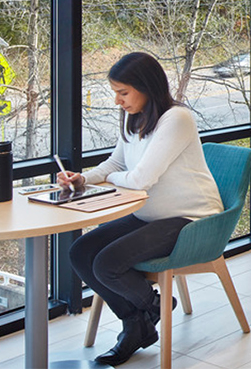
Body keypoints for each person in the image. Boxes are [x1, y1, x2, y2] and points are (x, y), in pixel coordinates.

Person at [59, 53, 223, 366]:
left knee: (107, 263)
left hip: (190, 218)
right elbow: (117, 164)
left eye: (124, 93)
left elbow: (141, 179)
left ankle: (149, 312)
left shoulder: (177, 119)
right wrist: (83, 179)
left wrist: (110, 179)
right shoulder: (134, 118)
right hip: (150, 214)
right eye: (115, 94)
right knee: (81, 252)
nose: (118, 101)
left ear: (146, 87)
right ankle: (142, 318)